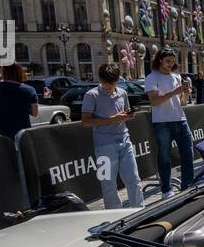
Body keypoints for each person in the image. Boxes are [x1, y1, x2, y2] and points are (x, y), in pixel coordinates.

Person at [82, 63, 145, 210]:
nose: (109, 86)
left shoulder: (122, 93)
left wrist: (127, 116)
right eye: (106, 83)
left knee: (134, 180)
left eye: (112, 83)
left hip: (124, 140)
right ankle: (114, 216)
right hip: (103, 145)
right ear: (101, 79)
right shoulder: (91, 95)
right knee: (108, 185)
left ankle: (139, 210)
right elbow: (85, 122)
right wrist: (112, 119)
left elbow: (123, 114)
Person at [144, 52, 195, 196]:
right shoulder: (151, 77)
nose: (170, 64)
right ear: (160, 60)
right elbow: (154, 101)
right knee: (164, 157)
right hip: (162, 122)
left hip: (180, 119)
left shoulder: (176, 76)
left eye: (172, 61)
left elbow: (182, 102)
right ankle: (166, 190)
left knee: (188, 155)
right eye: (167, 61)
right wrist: (174, 92)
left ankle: (188, 186)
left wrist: (186, 93)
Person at [0, 62, 37, 141]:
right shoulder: (30, 90)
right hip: (23, 133)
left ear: (5, 72)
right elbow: (34, 113)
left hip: (2, 131)